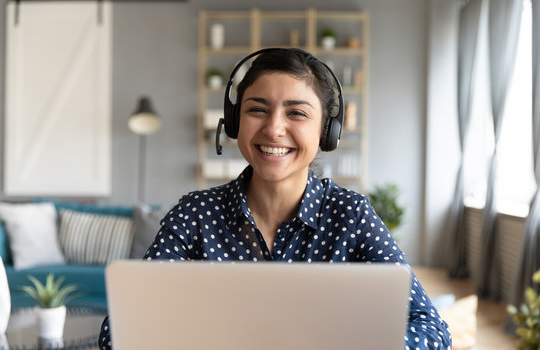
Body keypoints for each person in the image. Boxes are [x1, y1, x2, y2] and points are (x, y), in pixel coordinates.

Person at [99, 48, 451, 349]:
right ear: (235, 121)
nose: (273, 128)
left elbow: (431, 329)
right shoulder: (195, 214)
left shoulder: (352, 215)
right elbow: (119, 331)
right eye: (257, 109)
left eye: (296, 113)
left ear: (326, 132)